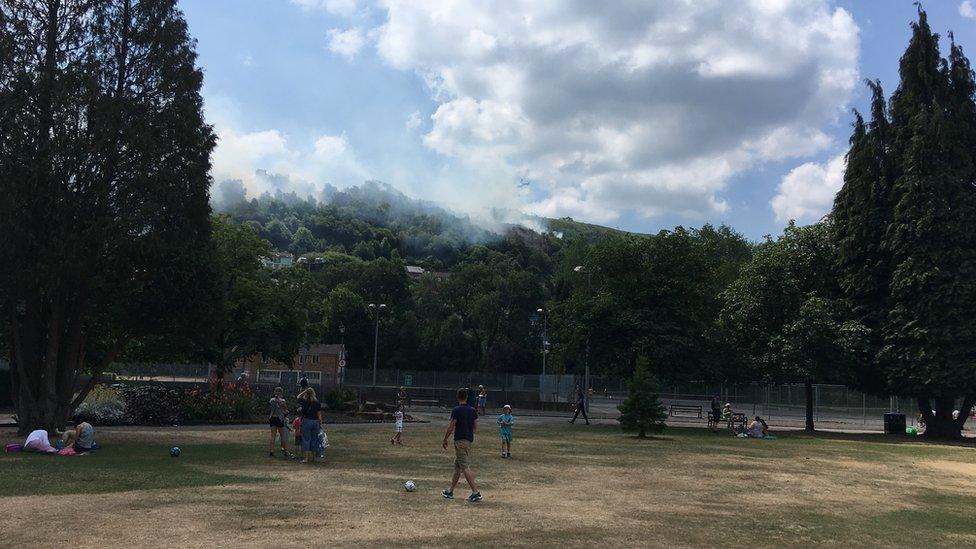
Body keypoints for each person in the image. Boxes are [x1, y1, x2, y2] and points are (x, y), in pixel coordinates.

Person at [442, 388, 482, 503]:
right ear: (467, 397)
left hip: (460, 441)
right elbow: (475, 427)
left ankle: (475, 492)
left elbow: (451, 426)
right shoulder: (473, 410)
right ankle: (450, 491)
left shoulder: (456, 410)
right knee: (457, 466)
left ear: (457, 397)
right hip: (468, 440)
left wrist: (445, 439)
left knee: (464, 467)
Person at [297, 387, 323, 463]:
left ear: (306, 394)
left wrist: (304, 391)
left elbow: (298, 397)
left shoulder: (304, 401)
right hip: (315, 422)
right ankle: (314, 458)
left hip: (307, 421)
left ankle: (306, 458)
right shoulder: (317, 402)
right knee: (314, 440)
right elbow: (319, 414)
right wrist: (320, 423)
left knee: (306, 439)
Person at [268, 387, 291, 457]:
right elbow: (285, 409)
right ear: (281, 393)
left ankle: (271, 451)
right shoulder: (283, 401)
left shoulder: (271, 400)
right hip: (279, 418)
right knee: (283, 435)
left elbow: (271, 407)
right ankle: (286, 451)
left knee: (273, 435)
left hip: (272, 418)